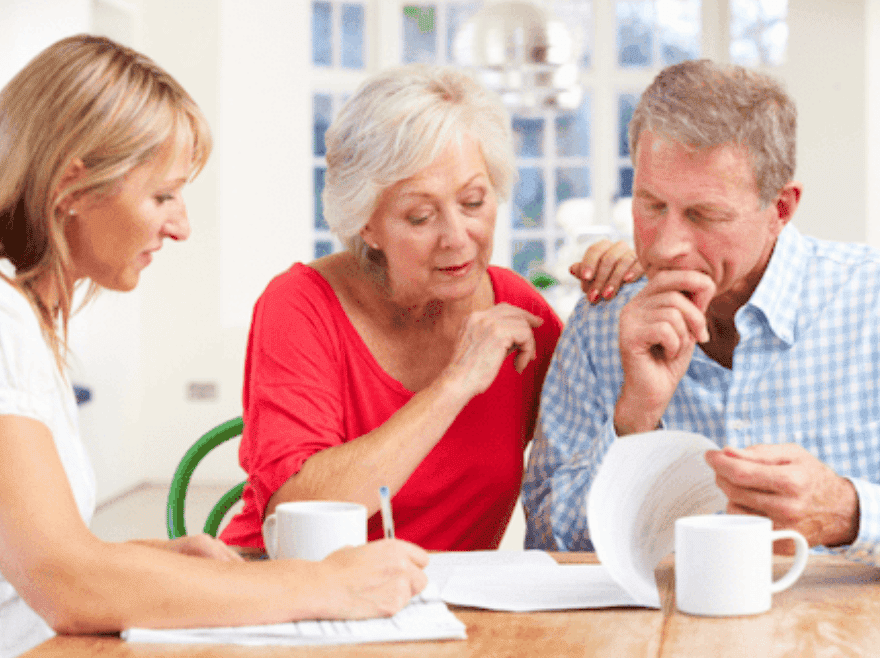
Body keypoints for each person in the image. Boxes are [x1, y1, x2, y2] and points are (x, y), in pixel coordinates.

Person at [0, 35, 428, 658]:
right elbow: (63, 584)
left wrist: (145, 561)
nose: (180, 226)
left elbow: (14, 561)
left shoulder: (5, 311)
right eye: (162, 195)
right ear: (74, 184)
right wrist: (321, 583)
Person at [522, 59, 880, 581]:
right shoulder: (603, 321)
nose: (667, 246)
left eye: (704, 215)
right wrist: (633, 420)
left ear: (781, 207)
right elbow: (548, 544)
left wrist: (850, 514)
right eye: (651, 205)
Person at [219, 65, 640, 552]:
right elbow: (299, 507)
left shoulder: (518, 309)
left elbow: (594, 452)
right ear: (365, 225)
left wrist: (631, 285)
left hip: (448, 608)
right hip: (291, 586)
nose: (457, 237)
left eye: (474, 202)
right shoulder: (301, 304)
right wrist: (455, 384)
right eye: (420, 216)